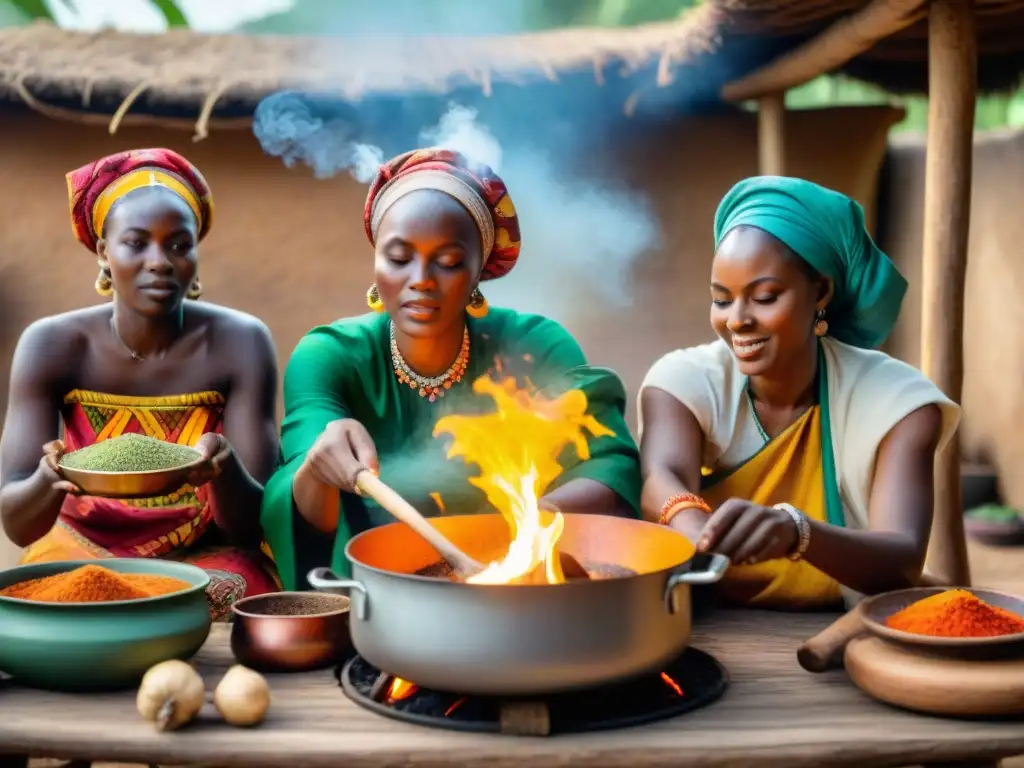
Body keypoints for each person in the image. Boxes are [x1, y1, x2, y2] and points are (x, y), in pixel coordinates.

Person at [261, 148, 642, 590]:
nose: (421, 279)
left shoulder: (536, 347)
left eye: (448, 262)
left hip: (527, 585)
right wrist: (315, 468)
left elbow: (611, 466)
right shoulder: (329, 356)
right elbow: (301, 507)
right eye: (399, 258)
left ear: (480, 269)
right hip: (378, 595)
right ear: (375, 261)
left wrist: (523, 531)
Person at [639, 176, 960, 609]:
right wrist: (699, 531)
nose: (737, 320)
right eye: (722, 299)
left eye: (765, 297)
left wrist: (798, 532)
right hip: (709, 624)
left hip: (842, 628)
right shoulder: (683, 383)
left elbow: (902, 559)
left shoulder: (898, 405)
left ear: (821, 292)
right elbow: (661, 477)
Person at [0, 148, 281, 618]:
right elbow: (17, 522)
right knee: (54, 585)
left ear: (195, 255)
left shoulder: (241, 342)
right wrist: (48, 480)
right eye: (136, 243)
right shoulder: (51, 344)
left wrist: (224, 471)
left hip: (202, 557)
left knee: (242, 586)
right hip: (81, 548)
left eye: (178, 244)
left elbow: (252, 525)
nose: (161, 262)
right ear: (103, 252)